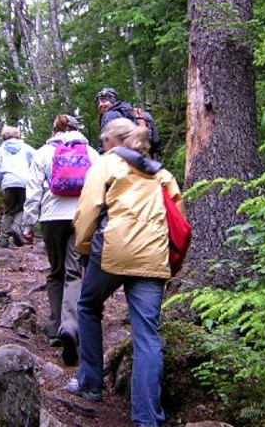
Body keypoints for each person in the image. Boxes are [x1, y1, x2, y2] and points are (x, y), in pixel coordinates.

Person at [66, 117, 183, 427]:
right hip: (153, 256)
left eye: (104, 142)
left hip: (113, 251)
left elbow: (88, 210)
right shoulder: (162, 173)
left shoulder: (106, 164)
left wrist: (84, 248)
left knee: (89, 306)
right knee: (147, 336)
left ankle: (90, 383)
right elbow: (178, 220)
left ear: (115, 142)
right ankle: (146, 419)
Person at [23, 114, 100, 364]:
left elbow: (33, 189)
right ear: (77, 129)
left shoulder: (43, 153)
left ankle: (55, 328)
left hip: (51, 216)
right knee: (73, 273)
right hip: (81, 216)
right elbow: (100, 187)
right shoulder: (90, 152)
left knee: (55, 272)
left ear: (54, 130)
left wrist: (27, 223)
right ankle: (70, 324)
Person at [0, 126, 35, 248]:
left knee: (9, 211)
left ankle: (3, 240)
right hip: (24, 182)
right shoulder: (26, 148)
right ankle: (16, 228)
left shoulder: (0, 151)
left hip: (8, 183)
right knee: (22, 208)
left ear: (3, 137)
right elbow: (38, 161)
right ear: (18, 135)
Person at [95, 87, 161, 156]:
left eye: (104, 100)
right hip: (140, 156)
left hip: (121, 158)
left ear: (112, 100)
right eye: (99, 102)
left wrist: (101, 158)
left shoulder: (110, 115)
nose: (100, 105)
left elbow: (105, 142)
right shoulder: (128, 112)